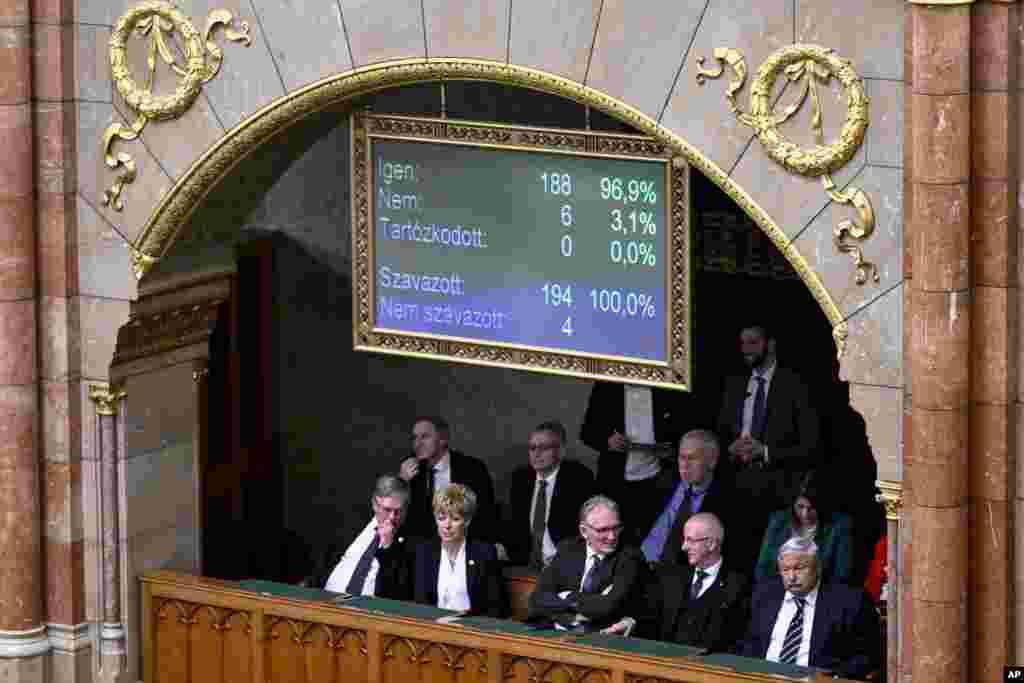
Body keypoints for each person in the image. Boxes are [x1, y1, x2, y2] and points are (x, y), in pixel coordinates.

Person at [715, 324, 820, 568]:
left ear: (770, 344)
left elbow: (811, 446)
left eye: (752, 342)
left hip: (778, 492)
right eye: (742, 343)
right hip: (736, 486)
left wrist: (765, 451)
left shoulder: (795, 385)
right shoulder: (734, 382)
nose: (746, 349)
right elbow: (719, 433)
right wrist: (729, 448)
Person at [737, 537, 881, 680]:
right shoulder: (764, 595)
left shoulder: (849, 601)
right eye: (785, 570)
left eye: (799, 568)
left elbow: (868, 655)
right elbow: (749, 645)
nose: (791, 577)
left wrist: (835, 677)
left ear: (817, 568)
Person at [606, 513, 748, 652]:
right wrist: (632, 621)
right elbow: (649, 612)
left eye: (691, 540)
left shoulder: (738, 587)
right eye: (684, 539)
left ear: (711, 544)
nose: (684, 547)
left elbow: (738, 639)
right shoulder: (671, 576)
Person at [580, 381, 698, 541]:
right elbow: (587, 432)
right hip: (615, 481)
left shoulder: (668, 386)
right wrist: (608, 441)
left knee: (656, 539)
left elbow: (685, 429)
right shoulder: (607, 387)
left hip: (659, 480)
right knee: (613, 539)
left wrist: (672, 449)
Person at [528, 495, 647, 632]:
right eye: (603, 530)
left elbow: (608, 607)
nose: (612, 536)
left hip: (599, 637)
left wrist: (567, 596)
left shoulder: (629, 556)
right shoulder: (568, 549)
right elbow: (537, 598)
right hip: (556, 630)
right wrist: (573, 617)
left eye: (616, 527)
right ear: (584, 531)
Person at [504, 421, 595, 568]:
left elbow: (585, 531)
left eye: (544, 448)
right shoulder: (521, 479)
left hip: (564, 564)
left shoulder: (578, 479)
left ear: (561, 450)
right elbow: (514, 527)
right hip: (524, 563)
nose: (536, 453)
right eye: (532, 448)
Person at [641, 430, 734, 566]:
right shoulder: (663, 482)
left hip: (678, 574)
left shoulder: (726, 501)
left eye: (692, 458)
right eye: (681, 457)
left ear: (712, 461)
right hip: (640, 560)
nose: (684, 465)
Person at [311, 475, 413, 599]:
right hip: (326, 600)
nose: (392, 517)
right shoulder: (352, 524)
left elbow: (396, 588)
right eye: (387, 509)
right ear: (375, 504)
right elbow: (325, 564)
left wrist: (387, 547)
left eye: (398, 511)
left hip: (367, 611)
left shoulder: (411, 543)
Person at [412, 483, 507, 617]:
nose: (447, 525)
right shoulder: (425, 552)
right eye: (441, 518)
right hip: (433, 628)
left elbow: (495, 608)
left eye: (455, 519)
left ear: (467, 520)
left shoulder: (484, 553)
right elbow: (420, 603)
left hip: (471, 631)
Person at [399, 416, 498, 543]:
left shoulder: (473, 469)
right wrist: (402, 482)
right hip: (421, 551)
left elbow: (486, 516)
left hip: (464, 547)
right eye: (414, 438)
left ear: (443, 440)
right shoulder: (410, 469)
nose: (417, 444)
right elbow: (398, 516)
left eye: (424, 437)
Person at [754, 471, 855, 584]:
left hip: (820, 593)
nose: (805, 514)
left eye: (811, 508)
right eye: (800, 506)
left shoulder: (839, 525)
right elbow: (761, 570)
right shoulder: (778, 521)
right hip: (778, 590)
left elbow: (841, 576)